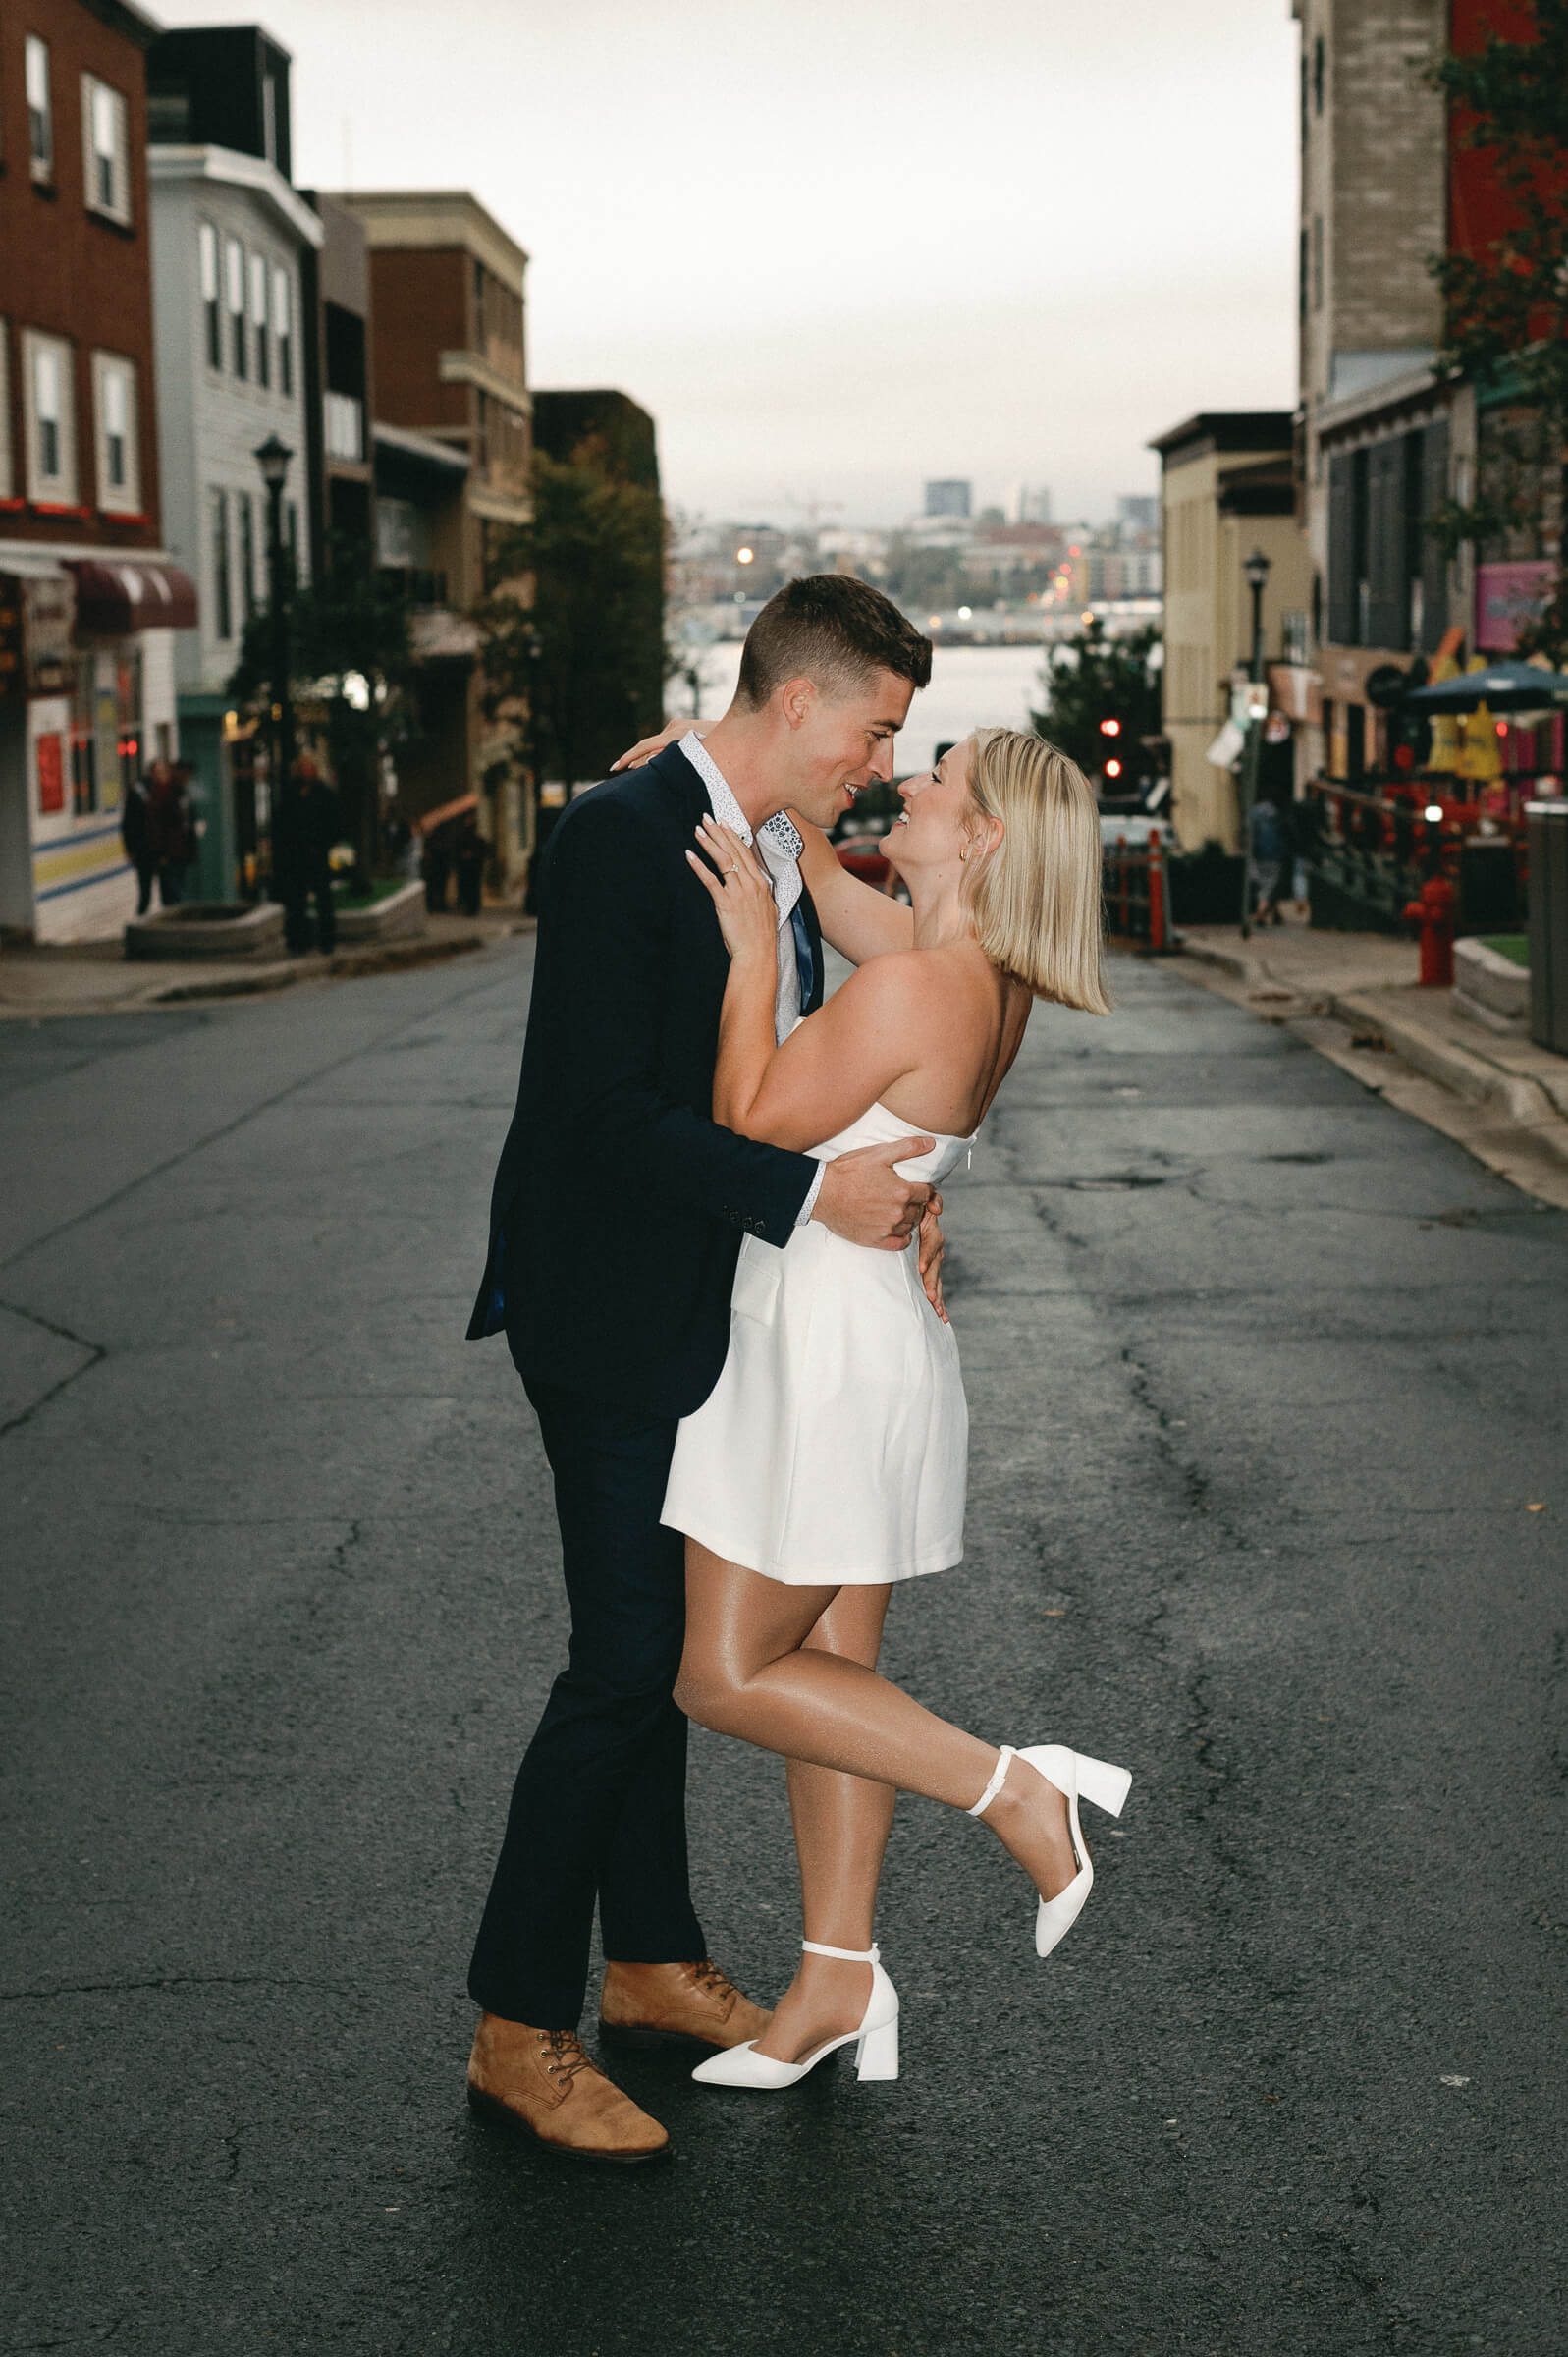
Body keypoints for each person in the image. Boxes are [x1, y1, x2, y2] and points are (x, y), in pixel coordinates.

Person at [463, 576, 948, 2164]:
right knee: (621, 1664)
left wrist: (891, 1191)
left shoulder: (780, 851)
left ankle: (656, 1964)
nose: (878, 765)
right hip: (602, 1305)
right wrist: (816, 1199)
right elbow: (602, 1115)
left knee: (663, 1648)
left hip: (709, 1313)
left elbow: (841, 1046)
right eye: (873, 728)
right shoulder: (620, 835)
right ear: (796, 701)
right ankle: (517, 2030)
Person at [652, 727, 1130, 2094]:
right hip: (871, 1341)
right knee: (834, 1684)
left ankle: (1013, 1788)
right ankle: (837, 1981)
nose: (905, 781)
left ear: (979, 839)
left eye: (937, 779)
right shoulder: (980, 973)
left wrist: (752, 959)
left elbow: (747, 1116)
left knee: (724, 1674)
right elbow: (830, 885)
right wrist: (721, 783)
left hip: (821, 1352)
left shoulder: (917, 988)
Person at [275, 754, 340, 955]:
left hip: (317, 853)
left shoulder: (324, 793)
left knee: (323, 898)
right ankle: (298, 941)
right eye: (302, 767)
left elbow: (334, 823)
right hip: (295, 854)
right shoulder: (291, 792)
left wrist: (322, 845)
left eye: (309, 767)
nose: (306, 771)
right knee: (296, 899)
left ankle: (326, 941)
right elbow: (282, 822)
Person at [121, 765, 158, 914]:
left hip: (154, 847)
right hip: (145, 848)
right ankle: (142, 919)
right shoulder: (139, 792)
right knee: (146, 891)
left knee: (153, 889)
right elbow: (128, 824)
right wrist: (130, 849)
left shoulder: (164, 791)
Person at [454, 812, 486, 917]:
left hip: (472, 868)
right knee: (468, 889)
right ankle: (469, 907)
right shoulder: (465, 838)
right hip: (467, 868)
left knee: (472, 889)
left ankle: (472, 908)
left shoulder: (476, 839)